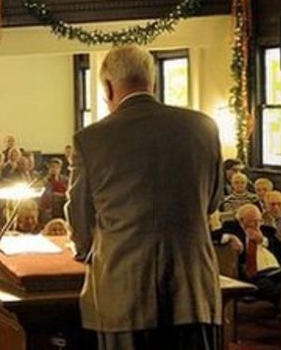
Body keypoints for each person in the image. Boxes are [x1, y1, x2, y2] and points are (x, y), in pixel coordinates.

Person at [66, 45, 223, 349]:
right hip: (193, 290)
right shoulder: (203, 127)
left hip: (123, 294)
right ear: (153, 81)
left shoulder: (90, 139)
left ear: (108, 87)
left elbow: (80, 220)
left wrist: (85, 249)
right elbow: (213, 201)